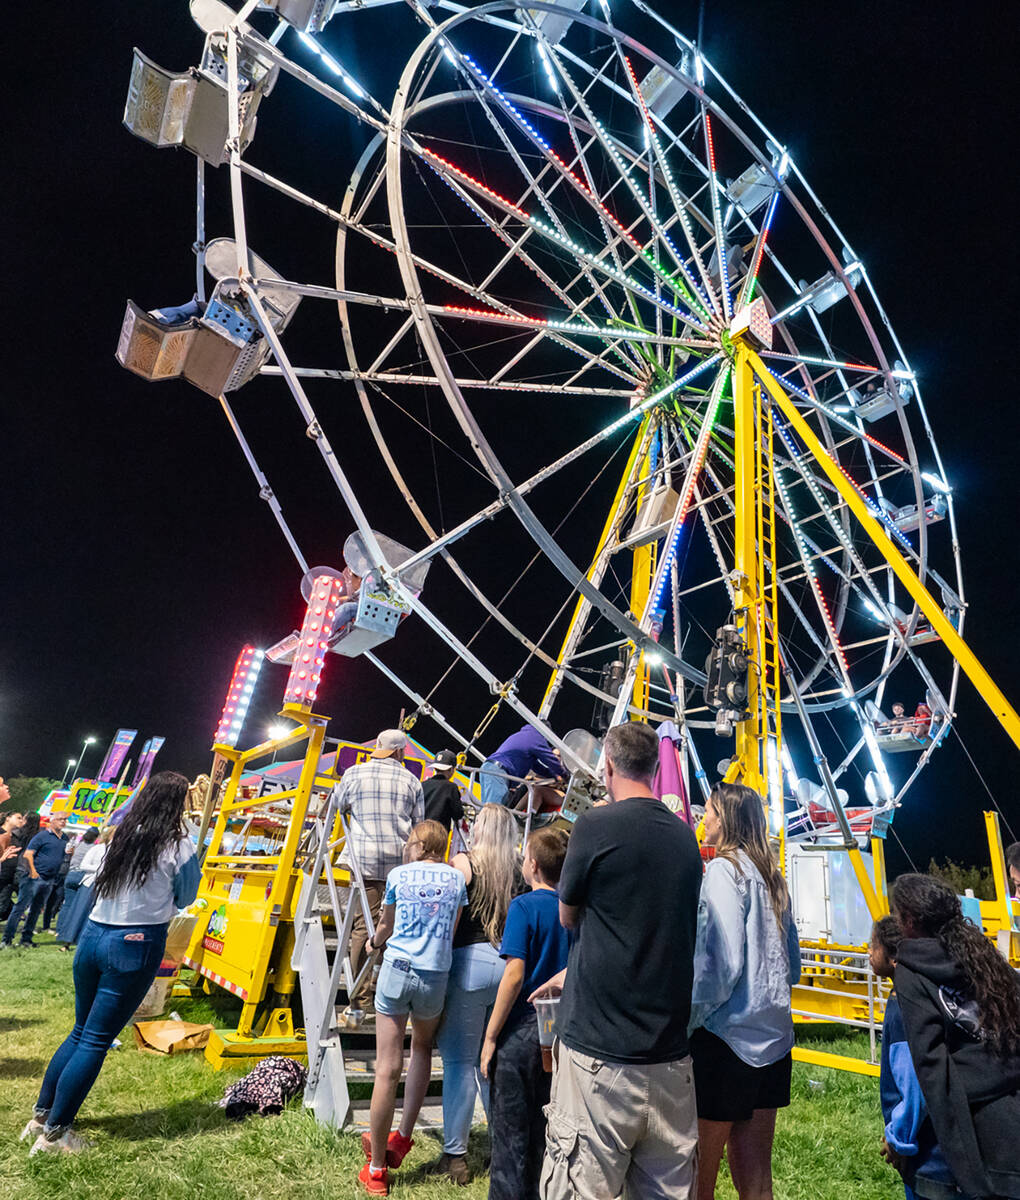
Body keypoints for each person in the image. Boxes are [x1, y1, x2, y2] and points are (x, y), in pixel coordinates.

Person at [535, 721, 703, 1200]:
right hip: (670, 1057)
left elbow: (567, 915)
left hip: (599, 1056)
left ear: (606, 766)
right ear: (654, 768)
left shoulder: (595, 824)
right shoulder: (684, 837)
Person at [23, 771, 200, 1155]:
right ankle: (55, 1133)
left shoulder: (122, 831)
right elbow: (187, 895)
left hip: (94, 935)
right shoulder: (178, 841)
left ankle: (41, 1115)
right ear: (180, 802)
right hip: (135, 943)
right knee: (95, 1040)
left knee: (79, 1032)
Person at [688, 782, 802, 1200]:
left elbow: (722, 962)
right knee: (756, 1178)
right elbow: (793, 964)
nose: (703, 818)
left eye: (710, 812)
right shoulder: (772, 876)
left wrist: (689, 1021)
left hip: (725, 1041)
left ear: (726, 821)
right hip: (774, 1041)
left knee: (699, 1176)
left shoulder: (724, 870)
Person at [891, 873, 1020, 1200]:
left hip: (961, 1151)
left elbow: (932, 1071)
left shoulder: (910, 971)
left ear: (908, 921)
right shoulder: (982, 956)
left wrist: (968, 1175)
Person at [358, 819, 467, 1196]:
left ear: (420, 845)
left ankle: (375, 1172)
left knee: (387, 1068)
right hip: (434, 974)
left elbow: (386, 926)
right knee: (422, 1049)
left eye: (410, 842)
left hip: (397, 970)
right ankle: (402, 1137)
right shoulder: (456, 880)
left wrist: (374, 941)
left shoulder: (399, 875)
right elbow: (450, 931)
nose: (406, 847)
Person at [432, 803, 522, 1185]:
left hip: (467, 963)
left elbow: (445, 916)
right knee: (491, 1062)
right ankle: (503, 1144)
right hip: (505, 966)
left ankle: (455, 1155)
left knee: (459, 1063)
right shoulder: (518, 868)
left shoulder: (464, 863)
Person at [480, 827, 569, 1200]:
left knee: (510, 1138)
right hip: (561, 1031)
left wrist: (490, 1037)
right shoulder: (573, 910)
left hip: (522, 1028)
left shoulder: (523, 907)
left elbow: (514, 974)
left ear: (532, 865)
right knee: (546, 1133)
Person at [335, 729, 425, 1026]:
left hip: (364, 862)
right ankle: (383, 994)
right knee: (393, 930)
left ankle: (358, 1005)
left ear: (377, 747)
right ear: (401, 752)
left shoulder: (354, 773)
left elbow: (337, 805)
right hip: (398, 865)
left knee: (364, 928)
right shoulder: (412, 781)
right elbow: (419, 825)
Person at [871, 915, 963, 1200]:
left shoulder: (902, 1006)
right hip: (957, 1154)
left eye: (872, 946)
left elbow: (913, 1084)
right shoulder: (940, 992)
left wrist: (899, 1141)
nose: (867, 953)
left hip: (927, 1159)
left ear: (894, 957)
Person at [2, 812, 70, 948]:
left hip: (50, 879)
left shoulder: (64, 838)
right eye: (60, 819)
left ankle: (26, 939)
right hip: (33, 878)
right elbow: (28, 854)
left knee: (36, 910)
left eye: (65, 819)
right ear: (52, 821)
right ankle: (7, 939)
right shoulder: (42, 836)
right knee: (20, 907)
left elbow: (59, 857)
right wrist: (33, 871)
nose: (63, 822)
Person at [479, 725, 565, 808]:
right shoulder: (536, 738)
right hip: (498, 772)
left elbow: (536, 766)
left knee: (487, 809)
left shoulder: (524, 736)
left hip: (490, 768)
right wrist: (564, 775)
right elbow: (550, 759)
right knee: (494, 811)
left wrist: (553, 776)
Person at [56, 829, 112, 951]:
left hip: (106, 885)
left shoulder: (117, 851)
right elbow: (84, 865)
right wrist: (101, 868)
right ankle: (67, 940)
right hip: (90, 883)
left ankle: (87, 942)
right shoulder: (96, 849)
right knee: (79, 911)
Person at [423, 750, 465, 832]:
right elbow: (457, 814)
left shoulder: (423, 784)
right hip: (438, 834)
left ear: (435, 768)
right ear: (452, 769)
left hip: (420, 831)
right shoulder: (451, 787)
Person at [0, 811, 28, 918]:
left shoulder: (16, 837)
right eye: (18, 818)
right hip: (2, 872)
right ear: (8, 818)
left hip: (10, 875)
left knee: (3, 905)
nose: (21, 821)